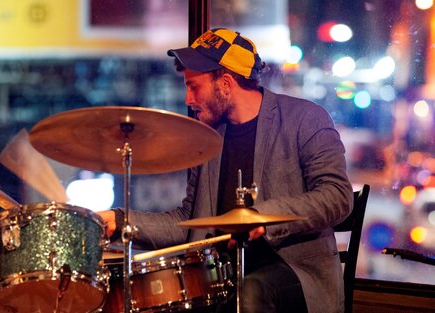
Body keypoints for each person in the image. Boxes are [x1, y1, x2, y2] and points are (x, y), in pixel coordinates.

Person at [99, 28, 353, 313]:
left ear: (226, 83)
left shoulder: (305, 118)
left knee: (251, 290)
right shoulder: (208, 139)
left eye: (194, 86)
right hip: (220, 276)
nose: (187, 99)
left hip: (295, 273)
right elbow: (189, 221)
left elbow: (337, 196)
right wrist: (121, 220)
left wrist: (264, 217)